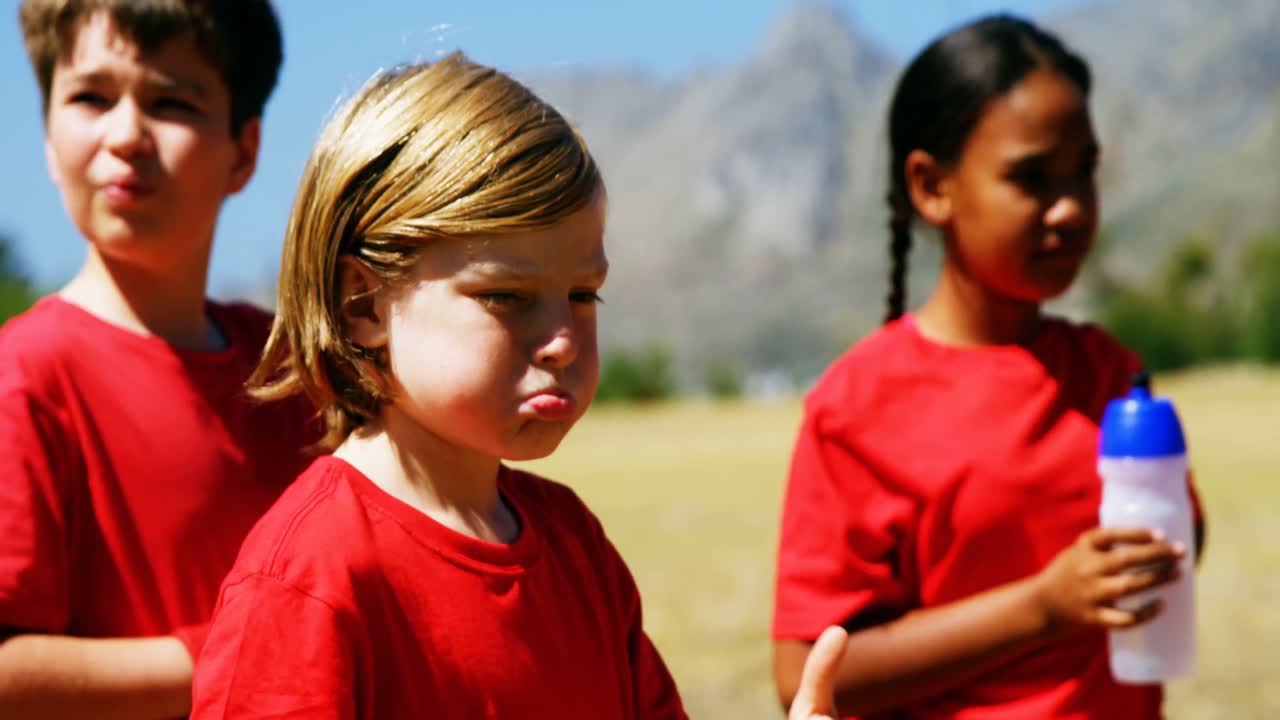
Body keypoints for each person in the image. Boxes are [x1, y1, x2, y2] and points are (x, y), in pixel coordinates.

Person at [188, 53, 689, 719]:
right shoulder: (309, 577)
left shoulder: (575, 545)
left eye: (583, 294)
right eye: (506, 297)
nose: (563, 337)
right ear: (362, 307)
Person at [771, 14, 1204, 720]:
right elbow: (805, 676)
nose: (1070, 207)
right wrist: (1042, 607)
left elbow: (1169, 562)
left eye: (1085, 171)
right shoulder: (857, 404)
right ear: (931, 187)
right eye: (1031, 177)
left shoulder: (1108, 373)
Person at [0, 1, 313, 717]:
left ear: (244, 151)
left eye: (171, 101)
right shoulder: (26, 375)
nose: (126, 135)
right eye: (89, 97)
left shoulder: (294, 371)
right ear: (47, 134)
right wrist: (239, 648)